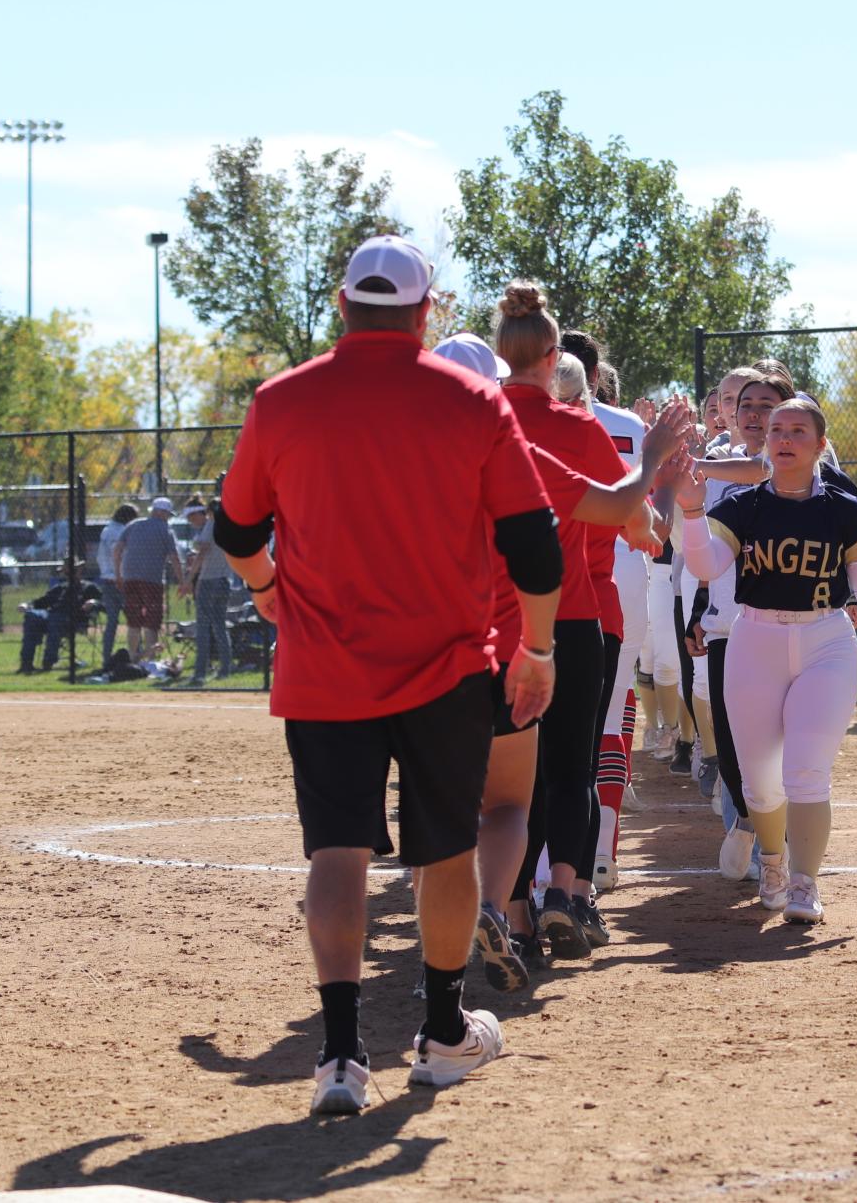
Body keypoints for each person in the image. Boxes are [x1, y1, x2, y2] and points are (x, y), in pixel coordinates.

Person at [215, 236, 562, 1116]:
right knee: (443, 849)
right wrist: (538, 649)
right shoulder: (473, 399)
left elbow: (235, 529)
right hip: (445, 666)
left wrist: (267, 592)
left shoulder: (280, 400)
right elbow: (533, 542)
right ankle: (443, 1036)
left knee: (336, 851)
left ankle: (338, 1057)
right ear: (425, 310)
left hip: (324, 668)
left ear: (341, 305)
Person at [676, 398, 857, 924]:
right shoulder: (744, 504)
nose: (784, 438)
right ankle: (771, 865)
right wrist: (690, 510)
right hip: (755, 638)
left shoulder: (843, 506)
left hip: (826, 640)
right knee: (759, 781)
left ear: (820, 445)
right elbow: (706, 563)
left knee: (806, 772)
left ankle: (804, 883)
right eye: (778, 429)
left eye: (798, 430)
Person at [493, 283, 629, 963]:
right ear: (554, 359)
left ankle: (514, 918)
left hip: (494, 624)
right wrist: (657, 471)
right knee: (571, 769)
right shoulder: (578, 427)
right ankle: (566, 895)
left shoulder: (480, 421)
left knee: (511, 786)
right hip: (572, 615)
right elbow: (628, 514)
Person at [559, 330, 650, 891]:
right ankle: (602, 854)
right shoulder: (629, 427)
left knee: (549, 731)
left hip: (554, 576)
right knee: (610, 713)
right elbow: (644, 514)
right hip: (622, 571)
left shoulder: (517, 421)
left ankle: (545, 870)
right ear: (597, 374)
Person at [115, 497, 185, 661]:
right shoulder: (165, 529)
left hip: (130, 578)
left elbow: (117, 550)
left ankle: (133, 658)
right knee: (151, 622)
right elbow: (174, 557)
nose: (168, 517)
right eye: (167, 514)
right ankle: (150, 659)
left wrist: (118, 574)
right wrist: (182, 581)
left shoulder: (133, 525)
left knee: (133, 621)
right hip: (152, 580)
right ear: (161, 512)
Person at [182, 500, 234, 685]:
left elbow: (202, 553)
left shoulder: (211, 524)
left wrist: (188, 581)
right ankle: (225, 669)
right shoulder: (228, 526)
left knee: (203, 627)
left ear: (210, 512)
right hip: (224, 580)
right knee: (220, 626)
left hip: (209, 581)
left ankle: (199, 673)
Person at [17, 565, 101, 675]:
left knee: (55, 619)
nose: (68, 575)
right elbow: (42, 602)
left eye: (72, 571)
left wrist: (94, 602)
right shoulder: (60, 587)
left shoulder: (89, 587)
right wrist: (28, 605)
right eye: (66, 572)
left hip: (74, 620)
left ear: (79, 571)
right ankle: (26, 663)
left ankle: (48, 662)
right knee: (32, 616)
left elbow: (103, 603)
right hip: (52, 616)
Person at [96, 503, 137, 661]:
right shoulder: (121, 531)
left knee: (111, 623)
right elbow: (117, 554)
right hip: (121, 580)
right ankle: (135, 656)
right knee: (133, 621)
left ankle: (107, 658)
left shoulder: (107, 529)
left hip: (107, 580)